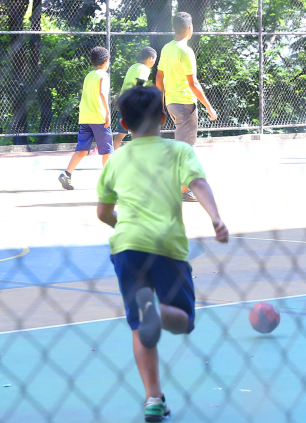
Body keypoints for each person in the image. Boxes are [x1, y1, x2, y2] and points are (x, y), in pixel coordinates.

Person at [96, 86, 228, 422]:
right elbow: (198, 184)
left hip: (127, 246)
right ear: (164, 117)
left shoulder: (117, 159)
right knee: (183, 321)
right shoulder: (178, 151)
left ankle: (153, 398)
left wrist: (122, 225)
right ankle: (161, 311)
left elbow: (102, 212)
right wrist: (215, 217)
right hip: (167, 245)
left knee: (140, 327)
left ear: (123, 123)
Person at [156, 11, 218, 201]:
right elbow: (193, 83)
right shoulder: (185, 51)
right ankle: (183, 190)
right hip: (185, 104)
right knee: (186, 148)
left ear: (174, 28)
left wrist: (162, 102)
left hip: (172, 103)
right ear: (190, 29)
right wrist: (209, 106)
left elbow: (159, 77)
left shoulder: (167, 48)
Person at [58, 46, 113, 190]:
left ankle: (67, 174)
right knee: (107, 151)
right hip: (99, 118)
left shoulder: (89, 75)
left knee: (82, 149)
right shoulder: (104, 75)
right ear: (106, 61)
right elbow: (102, 93)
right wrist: (108, 114)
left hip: (85, 118)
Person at [113, 46, 158, 150]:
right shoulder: (145, 69)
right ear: (151, 58)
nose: (154, 62)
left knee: (122, 133)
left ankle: (112, 156)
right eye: (155, 60)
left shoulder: (133, 66)